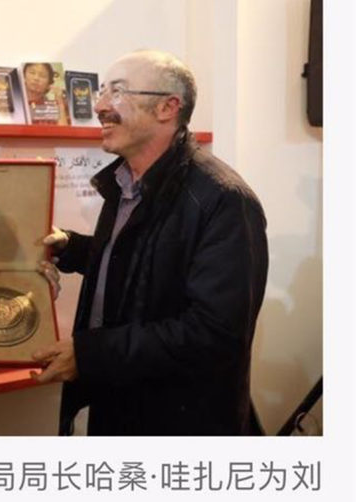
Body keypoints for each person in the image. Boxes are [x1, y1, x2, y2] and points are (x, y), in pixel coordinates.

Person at [31, 50, 268, 436]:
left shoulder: (223, 199)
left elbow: (214, 333)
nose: (100, 107)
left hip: (180, 426)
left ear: (167, 108)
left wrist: (93, 354)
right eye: (102, 92)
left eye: (117, 92)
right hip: (117, 408)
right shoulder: (125, 182)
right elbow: (142, 265)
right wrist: (70, 248)